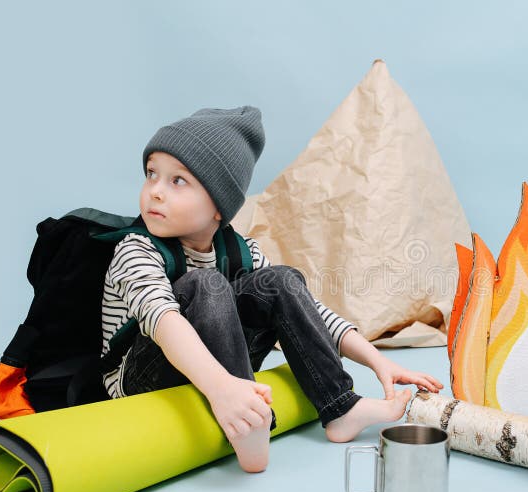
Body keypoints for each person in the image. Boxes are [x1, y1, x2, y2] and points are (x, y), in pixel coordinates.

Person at [98, 107, 444, 473]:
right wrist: (223, 390)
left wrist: (378, 360)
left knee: (279, 280)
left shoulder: (241, 249)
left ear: (219, 206)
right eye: (151, 174)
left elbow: (313, 312)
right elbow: (163, 322)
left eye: (177, 181)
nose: (155, 192)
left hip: (223, 370)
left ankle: (340, 407)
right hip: (142, 379)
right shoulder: (135, 250)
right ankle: (249, 423)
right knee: (207, 284)